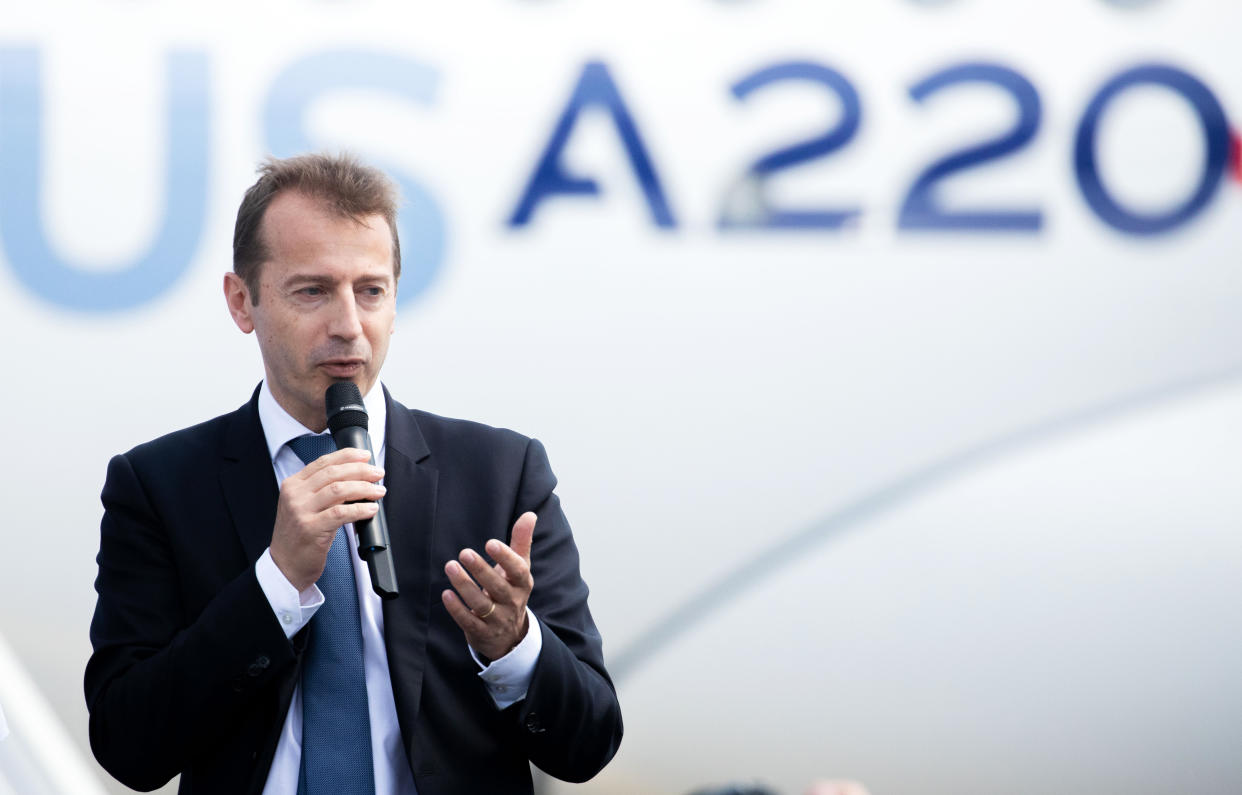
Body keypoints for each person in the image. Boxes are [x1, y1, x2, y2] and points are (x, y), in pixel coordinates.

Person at [84, 153, 622, 795]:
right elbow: (129, 749)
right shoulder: (160, 485)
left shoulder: (500, 474)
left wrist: (514, 646)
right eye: (312, 291)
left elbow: (589, 745)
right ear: (241, 301)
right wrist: (276, 585)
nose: (348, 327)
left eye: (371, 291)